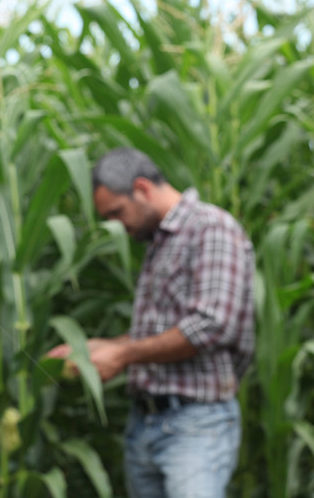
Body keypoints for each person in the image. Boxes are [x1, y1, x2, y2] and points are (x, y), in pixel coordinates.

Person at [47, 147, 255, 498]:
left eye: (117, 212)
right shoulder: (162, 240)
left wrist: (123, 357)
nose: (116, 225)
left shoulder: (211, 227)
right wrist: (104, 348)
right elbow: (163, 331)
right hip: (146, 425)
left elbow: (211, 325)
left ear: (142, 188)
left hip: (196, 424)